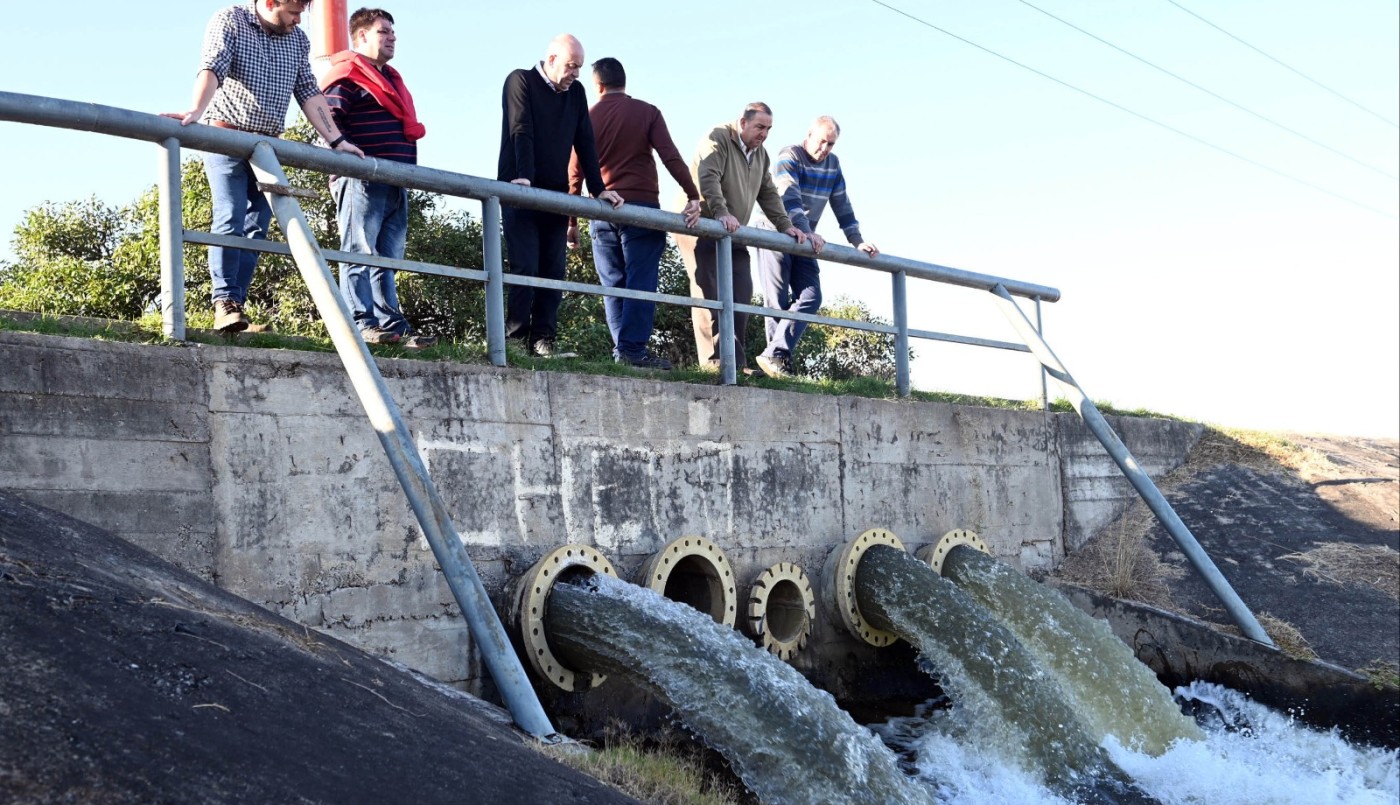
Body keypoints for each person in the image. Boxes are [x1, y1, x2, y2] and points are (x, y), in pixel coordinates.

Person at [165, 0, 365, 334]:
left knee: (258, 226)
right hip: (227, 137)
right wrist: (196, 111)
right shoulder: (231, 20)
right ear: (271, 2)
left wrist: (337, 140)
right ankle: (224, 301)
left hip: (267, 147)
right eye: (293, 12)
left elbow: (308, 91)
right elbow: (213, 66)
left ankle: (236, 310)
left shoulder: (297, 39)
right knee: (230, 215)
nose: (298, 20)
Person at [566, 57, 702, 370]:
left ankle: (624, 352)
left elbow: (574, 173)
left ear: (598, 85)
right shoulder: (647, 112)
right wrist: (693, 194)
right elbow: (670, 156)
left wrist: (571, 221)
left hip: (600, 211)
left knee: (613, 284)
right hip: (642, 210)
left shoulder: (586, 116)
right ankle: (632, 350)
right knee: (641, 279)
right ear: (624, 81)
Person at [498, 34, 623, 358]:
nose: (576, 73)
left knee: (553, 271)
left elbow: (585, 141)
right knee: (525, 266)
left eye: (579, 67)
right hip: (519, 190)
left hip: (555, 194)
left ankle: (543, 341)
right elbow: (520, 128)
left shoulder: (576, 93)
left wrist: (598, 188)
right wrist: (524, 176)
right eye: (571, 66)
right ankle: (515, 342)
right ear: (551, 59)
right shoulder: (520, 80)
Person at [320, 7, 435, 349]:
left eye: (393, 32)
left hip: (394, 179)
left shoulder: (391, 80)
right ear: (361, 36)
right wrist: (349, 158)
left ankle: (391, 325)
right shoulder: (347, 75)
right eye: (384, 31)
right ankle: (361, 322)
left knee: (387, 257)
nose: (392, 38)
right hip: (361, 179)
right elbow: (329, 119)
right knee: (358, 250)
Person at [674, 103, 807, 373]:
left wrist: (785, 225)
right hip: (701, 224)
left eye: (768, 129)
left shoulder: (760, 155)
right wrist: (721, 212)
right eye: (760, 127)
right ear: (743, 123)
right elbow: (708, 176)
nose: (764, 134)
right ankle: (713, 363)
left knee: (742, 292)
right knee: (708, 293)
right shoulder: (718, 137)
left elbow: (768, 192)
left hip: (734, 232)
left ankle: (735, 363)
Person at [754, 116, 879, 379]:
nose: (824, 148)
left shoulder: (833, 165)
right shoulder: (789, 155)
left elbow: (842, 204)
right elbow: (789, 196)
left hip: (805, 238)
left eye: (830, 144)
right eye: (821, 141)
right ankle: (776, 365)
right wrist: (806, 229)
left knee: (811, 296)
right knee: (776, 301)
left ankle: (774, 354)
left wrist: (857, 241)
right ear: (809, 135)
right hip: (775, 232)